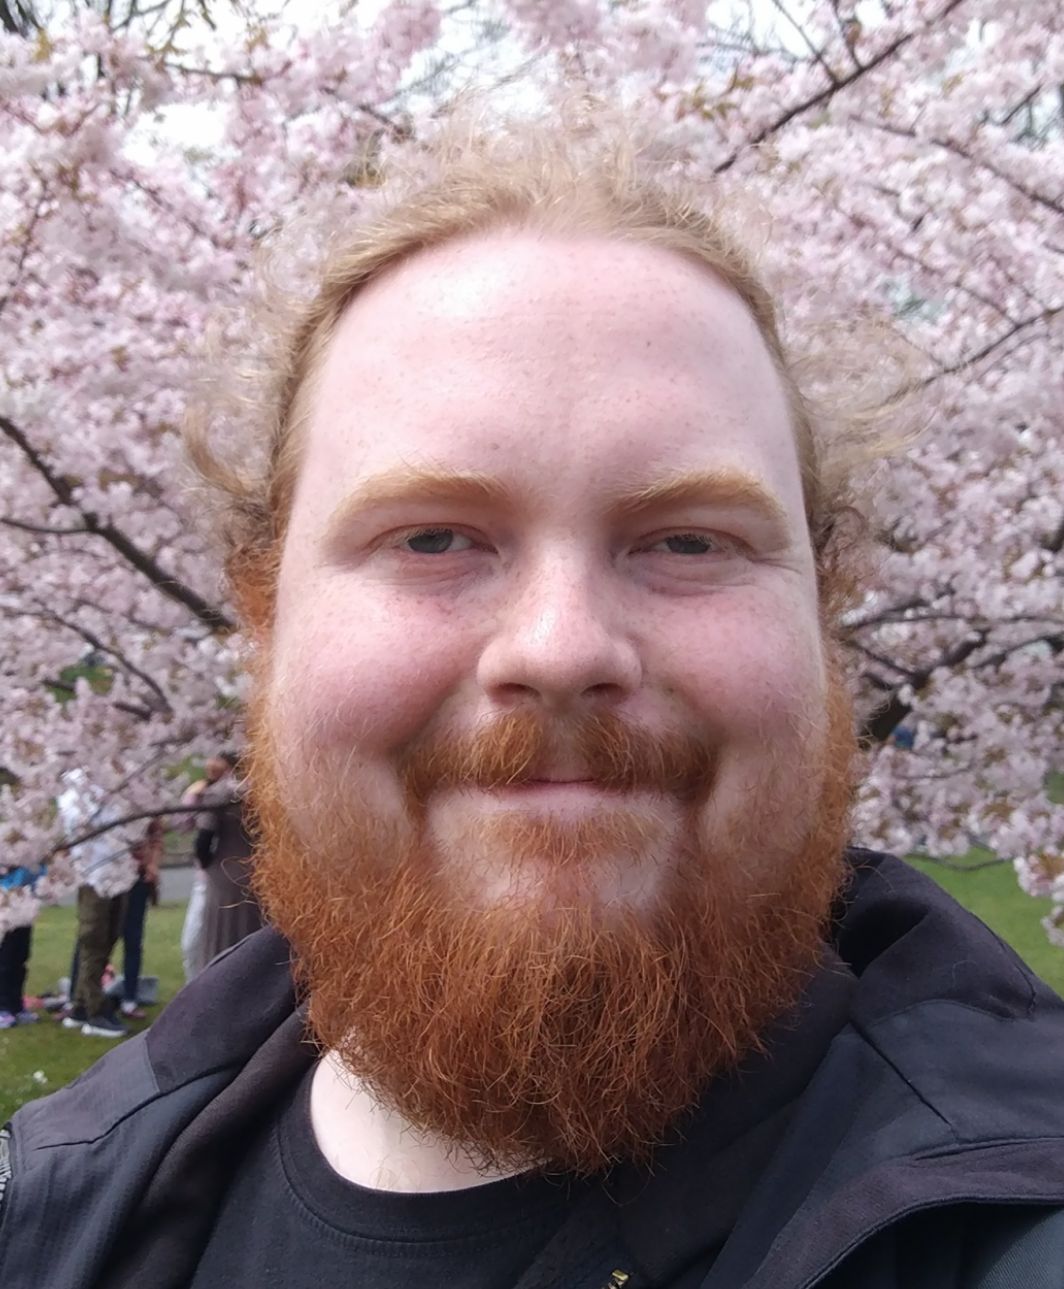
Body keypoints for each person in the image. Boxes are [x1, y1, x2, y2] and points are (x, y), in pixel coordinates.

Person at [3, 114, 1064, 1289]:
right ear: (263, 610)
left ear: (826, 609)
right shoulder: (57, 1210)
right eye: (433, 536)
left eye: (686, 539)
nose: (561, 647)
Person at [197, 767, 264, 964]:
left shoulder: (218, 793)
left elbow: (203, 840)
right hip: (262, 872)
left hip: (224, 871)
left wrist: (206, 864)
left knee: (221, 934)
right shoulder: (266, 789)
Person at [179, 754, 235, 981]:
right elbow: (182, 824)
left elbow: (202, 839)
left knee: (198, 940)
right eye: (210, 758)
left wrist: (205, 862)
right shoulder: (206, 793)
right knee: (197, 941)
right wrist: (193, 797)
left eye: (219, 759)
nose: (212, 764)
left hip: (215, 878)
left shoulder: (223, 793)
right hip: (209, 878)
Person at [117, 818, 163, 1019]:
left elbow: (156, 836)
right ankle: (81, 998)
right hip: (108, 874)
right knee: (95, 938)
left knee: (133, 939)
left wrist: (152, 863)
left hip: (137, 876)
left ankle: (129, 998)